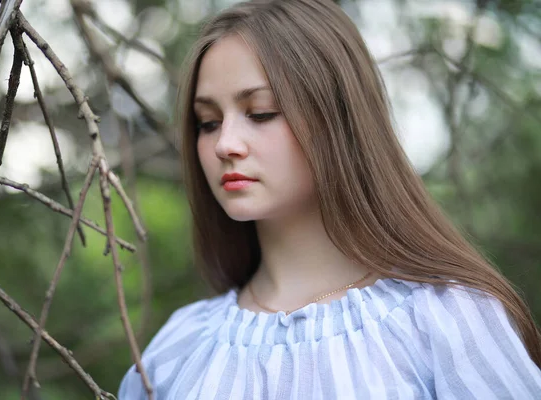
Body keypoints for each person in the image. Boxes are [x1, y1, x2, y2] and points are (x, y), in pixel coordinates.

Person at [118, 0, 541, 398]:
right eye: (207, 122)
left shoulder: (447, 319)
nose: (225, 143)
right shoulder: (177, 349)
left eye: (261, 113)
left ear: (337, 119)